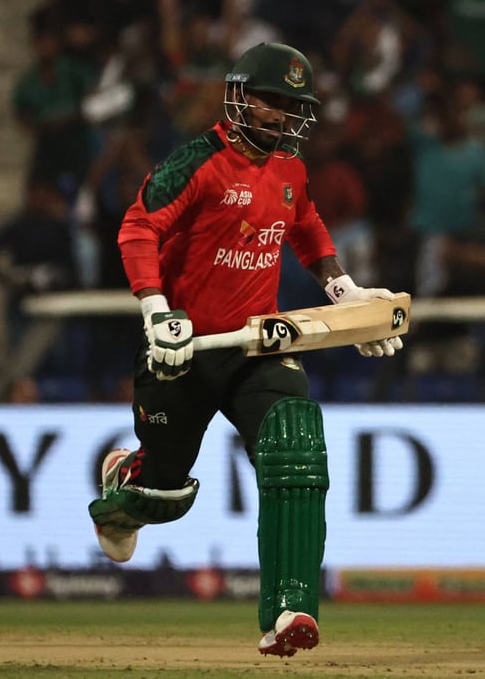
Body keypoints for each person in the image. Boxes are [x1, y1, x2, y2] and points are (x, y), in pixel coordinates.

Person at [86, 42, 404, 657]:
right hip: (183, 347)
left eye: (294, 107)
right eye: (272, 102)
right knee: (166, 497)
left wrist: (346, 294)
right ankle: (127, 487)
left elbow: (305, 227)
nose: (282, 117)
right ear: (238, 96)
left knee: (296, 443)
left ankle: (289, 611)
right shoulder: (196, 161)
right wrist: (157, 311)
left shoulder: (290, 169)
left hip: (256, 347)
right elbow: (137, 228)